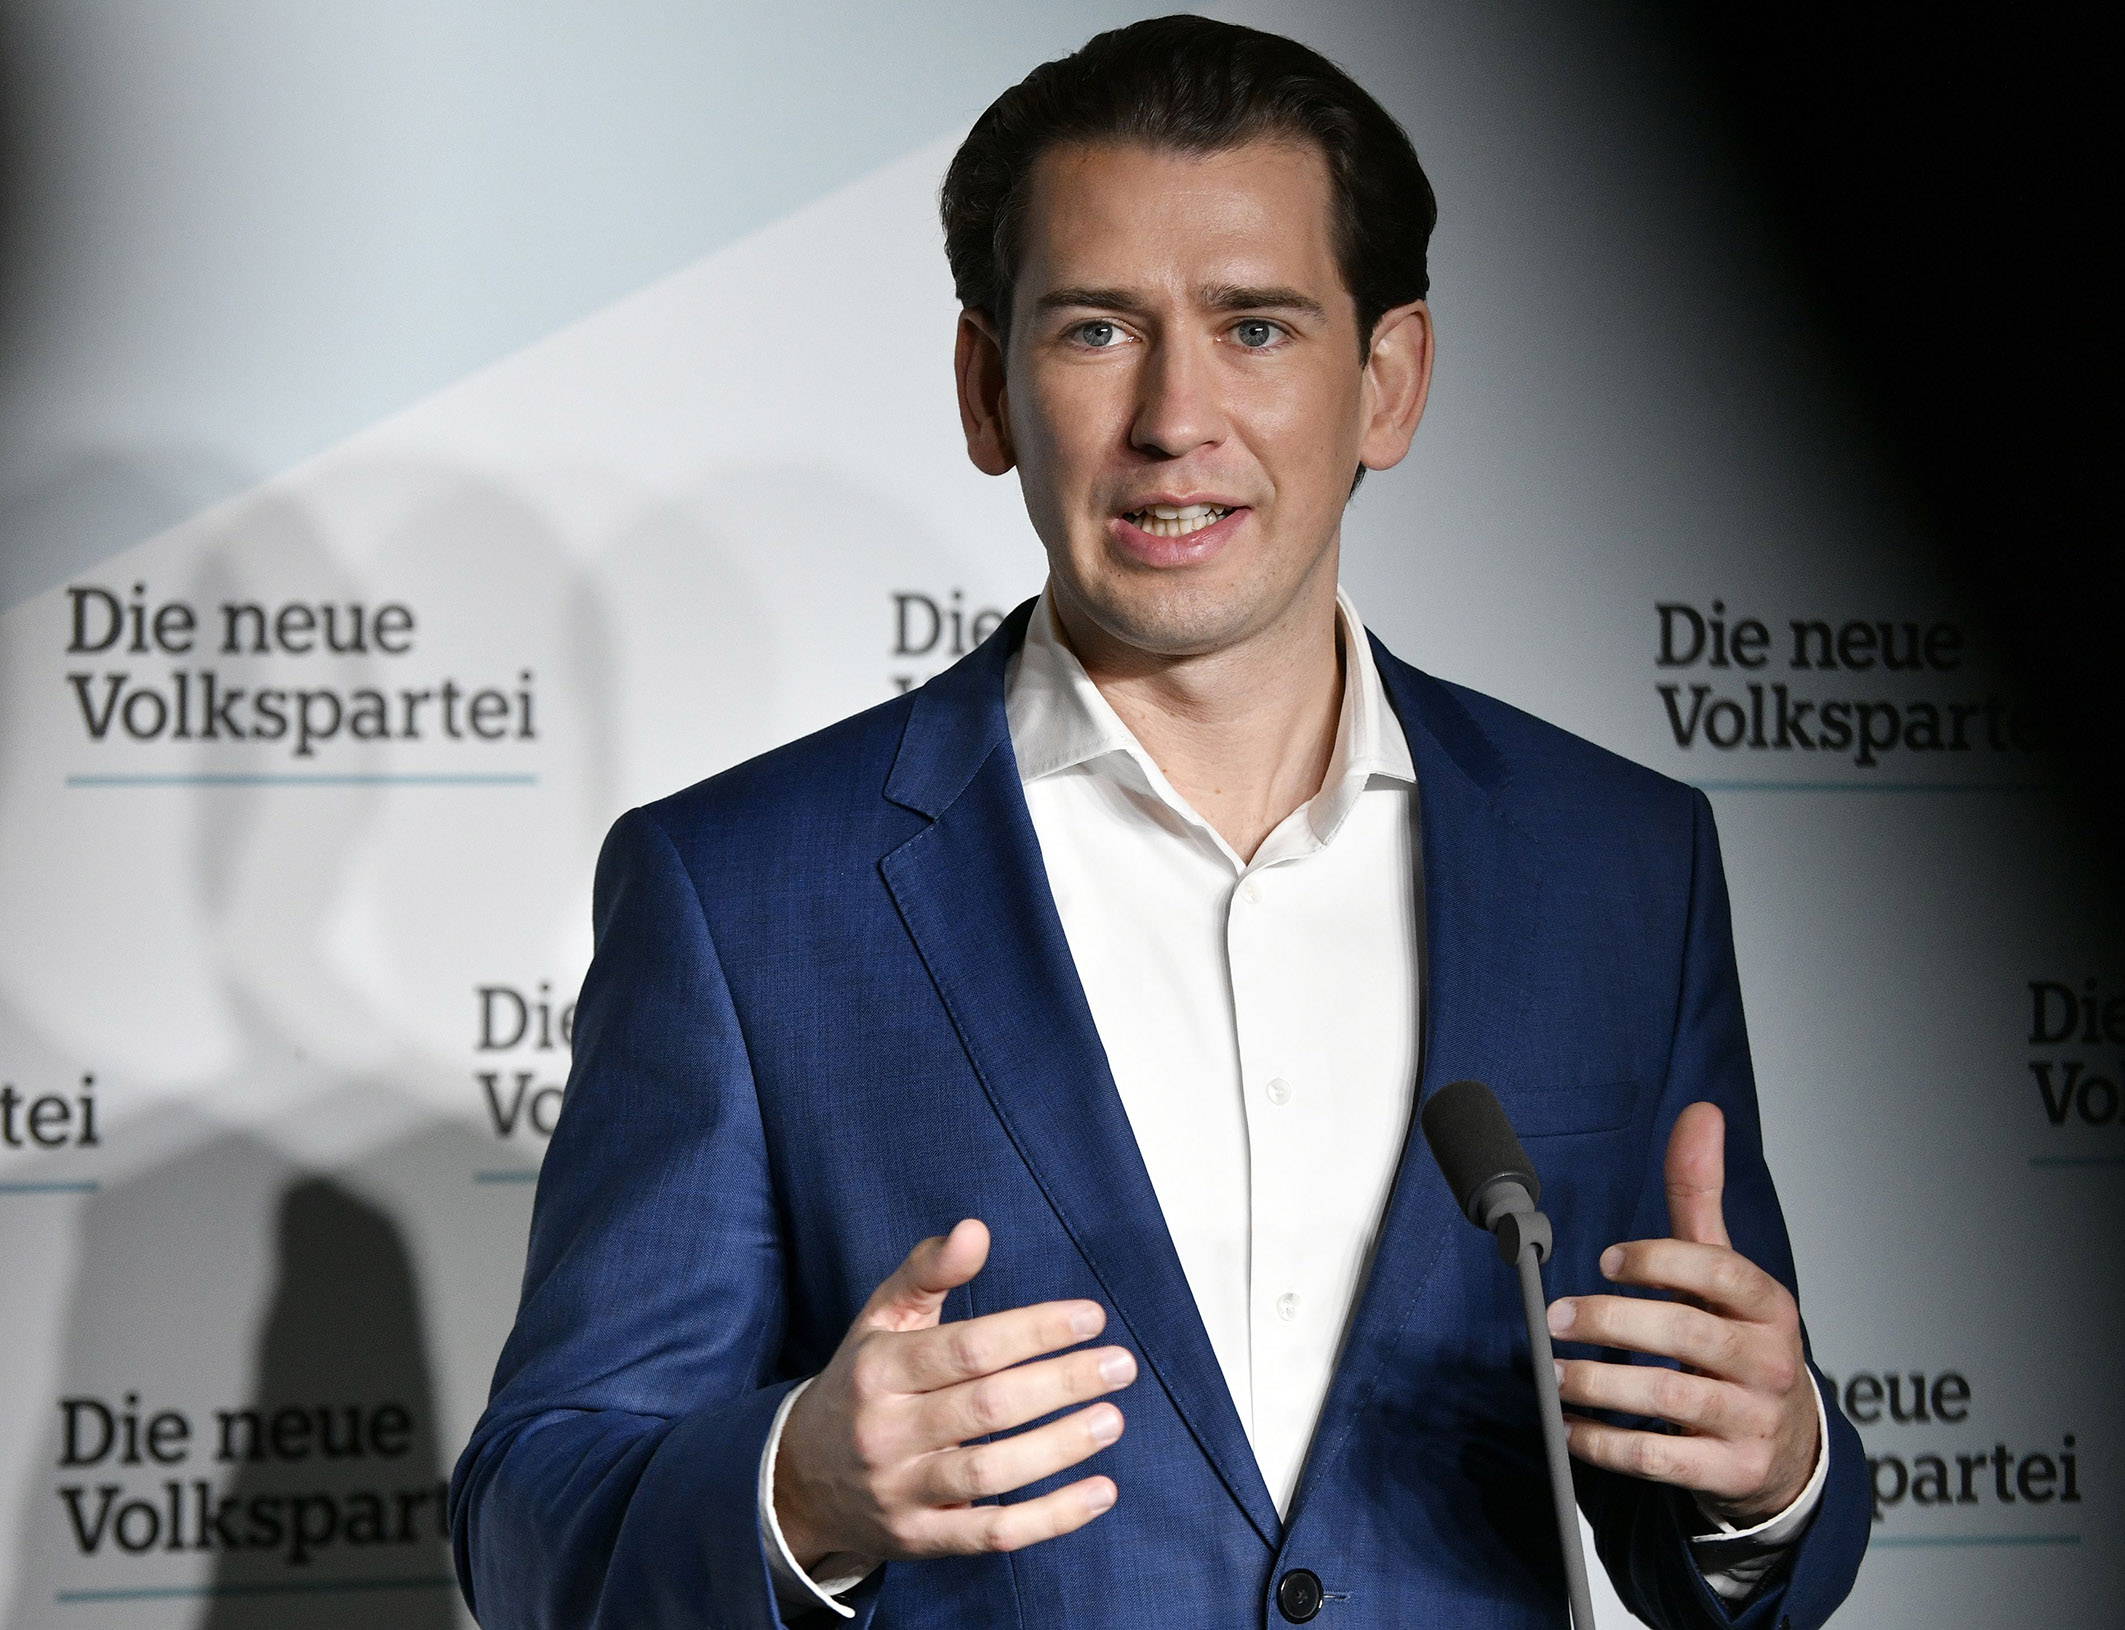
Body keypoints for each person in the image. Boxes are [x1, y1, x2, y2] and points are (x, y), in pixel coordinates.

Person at [451, 16, 1868, 1627]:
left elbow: (1733, 1542)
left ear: (1387, 380)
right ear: (989, 389)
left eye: (1257, 326)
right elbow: (531, 1524)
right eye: (1098, 330)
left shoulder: (1621, 862)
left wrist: (1773, 1467)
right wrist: (800, 1489)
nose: (1176, 415)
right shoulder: (743, 890)